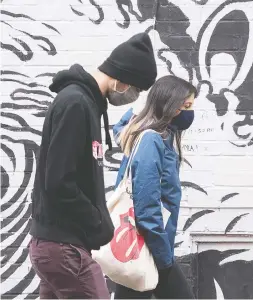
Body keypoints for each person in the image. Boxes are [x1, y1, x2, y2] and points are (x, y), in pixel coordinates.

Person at [29, 32, 157, 299]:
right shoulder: (76, 104)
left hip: (59, 246)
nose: (134, 96)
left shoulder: (85, 104)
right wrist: (97, 220)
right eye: (136, 88)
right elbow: (59, 182)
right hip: (64, 247)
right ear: (121, 80)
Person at [112, 75, 196, 299]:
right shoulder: (152, 140)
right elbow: (147, 205)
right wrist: (163, 258)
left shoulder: (165, 136)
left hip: (144, 244)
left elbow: (122, 127)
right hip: (147, 245)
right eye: (185, 106)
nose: (190, 112)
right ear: (168, 106)